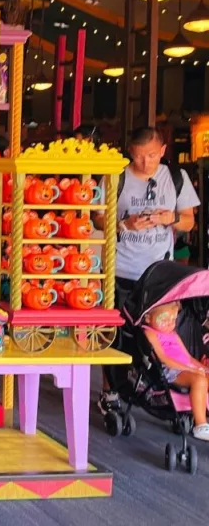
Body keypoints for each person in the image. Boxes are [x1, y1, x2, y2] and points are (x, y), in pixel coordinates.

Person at [96, 126, 200, 414]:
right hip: (122, 269)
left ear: (163, 151)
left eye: (152, 156)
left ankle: (157, 386)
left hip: (160, 274)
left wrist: (171, 218)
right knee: (116, 334)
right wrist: (124, 224)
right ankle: (110, 391)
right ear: (130, 152)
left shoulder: (176, 179)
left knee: (161, 334)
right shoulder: (116, 176)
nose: (146, 163)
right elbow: (98, 219)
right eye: (140, 156)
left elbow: (190, 221)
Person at [143, 301, 209, 441]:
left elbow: (188, 358)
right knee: (200, 380)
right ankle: (201, 425)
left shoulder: (173, 334)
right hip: (171, 370)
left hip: (186, 368)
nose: (169, 323)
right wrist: (190, 369)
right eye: (164, 319)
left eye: (173, 320)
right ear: (148, 317)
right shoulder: (150, 333)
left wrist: (202, 368)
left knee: (205, 376)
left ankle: (203, 413)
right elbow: (163, 359)